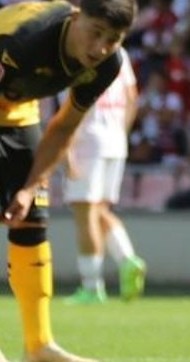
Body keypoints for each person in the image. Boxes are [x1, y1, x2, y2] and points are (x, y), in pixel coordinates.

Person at [0, 0, 134, 362]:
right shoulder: (25, 41)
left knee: (32, 218)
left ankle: (39, 345)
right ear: (77, 17)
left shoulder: (109, 64)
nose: (100, 48)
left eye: (113, 39)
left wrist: (30, 187)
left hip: (18, 110)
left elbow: (62, 127)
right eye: (95, 32)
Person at [61, 48, 145, 304]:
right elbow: (132, 97)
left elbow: (73, 105)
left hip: (87, 141)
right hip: (115, 140)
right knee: (99, 210)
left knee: (85, 214)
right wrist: (121, 132)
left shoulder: (76, 53)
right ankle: (128, 259)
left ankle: (91, 286)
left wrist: (66, 151)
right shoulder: (121, 52)